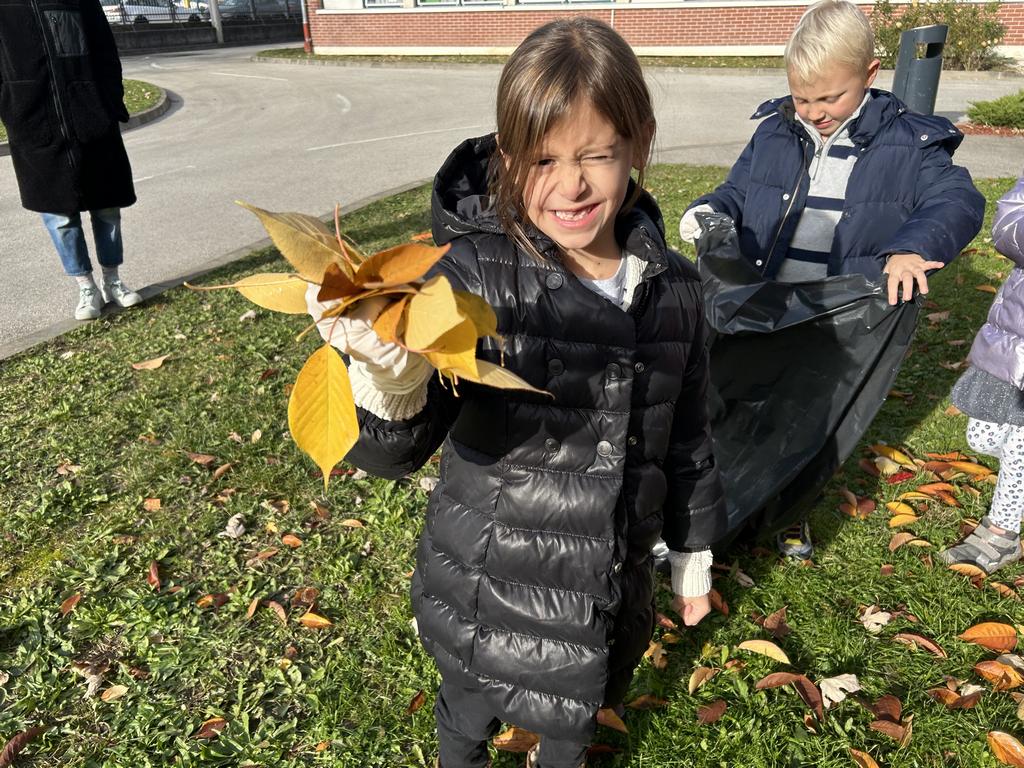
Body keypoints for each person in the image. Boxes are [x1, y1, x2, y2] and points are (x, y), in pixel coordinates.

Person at [306, 18, 727, 768]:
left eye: (596, 155)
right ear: (507, 160)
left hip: (603, 591)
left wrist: (692, 554)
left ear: (639, 143)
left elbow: (688, 436)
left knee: (572, 727)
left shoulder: (677, 293)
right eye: (543, 160)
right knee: (466, 717)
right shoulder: (470, 279)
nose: (571, 185)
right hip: (486, 585)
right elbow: (397, 451)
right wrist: (391, 375)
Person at [678, 0, 984, 560]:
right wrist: (711, 209)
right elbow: (739, 191)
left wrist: (913, 247)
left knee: (809, 424)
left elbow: (956, 199)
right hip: (768, 304)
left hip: (836, 320)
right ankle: (716, 498)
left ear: (869, 74)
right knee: (738, 401)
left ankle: (789, 513)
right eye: (802, 98)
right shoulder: (775, 132)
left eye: (830, 98)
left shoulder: (909, 142)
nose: (815, 112)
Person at [0, 0, 142, 321]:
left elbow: (105, 50)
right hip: (34, 124)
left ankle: (112, 280)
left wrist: (110, 103)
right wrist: (13, 111)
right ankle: (86, 287)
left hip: (90, 117)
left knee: (107, 207)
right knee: (59, 215)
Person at [940, 175, 1024, 574]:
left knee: (1019, 446)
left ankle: (1001, 534)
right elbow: (1007, 224)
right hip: (1014, 337)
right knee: (983, 436)